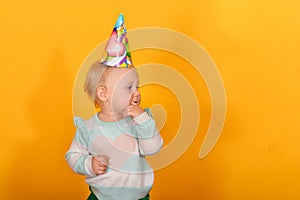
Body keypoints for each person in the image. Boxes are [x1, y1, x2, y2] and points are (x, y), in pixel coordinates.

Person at [65, 13, 163, 200]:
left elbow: (153, 148)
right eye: (128, 87)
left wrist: (143, 119)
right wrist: (88, 163)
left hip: (138, 197)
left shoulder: (139, 122)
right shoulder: (88, 128)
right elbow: (72, 155)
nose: (136, 93)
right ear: (103, 94)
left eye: (137, 87)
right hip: (101, 197)